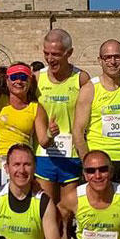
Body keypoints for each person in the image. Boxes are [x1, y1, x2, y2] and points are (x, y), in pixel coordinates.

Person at [73, 39, 120, 189]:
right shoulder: (90, 89)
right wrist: (87, 162)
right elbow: (78, 131)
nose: (113, 61)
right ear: (100, 61)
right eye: (107, 57)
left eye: (117, 57)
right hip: (99, 162)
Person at [34, 29, 91, 204]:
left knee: (67, 211)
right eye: (46, 53)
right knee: (47, 207)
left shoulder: (81, 78)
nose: (50, 59)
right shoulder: (36, 78)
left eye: (56, 54)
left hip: (71, 153)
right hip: (45, 153)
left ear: (69, 53)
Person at [0, 63, 53, 184]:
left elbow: (44, 142)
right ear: (7, 80)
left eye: (23, 78)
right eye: (14, 77)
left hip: (20, 165)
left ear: (29, 82)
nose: (19, 81)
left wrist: (51, 133)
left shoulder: (35, 108)